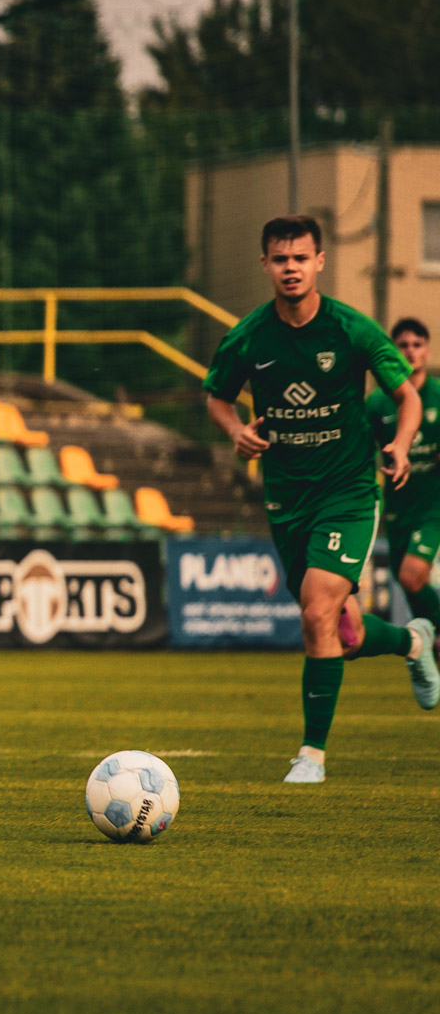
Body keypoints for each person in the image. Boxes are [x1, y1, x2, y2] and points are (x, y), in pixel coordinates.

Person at [204, 214, 438, 784]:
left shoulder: (352, 330)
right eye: (280, 259)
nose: (291, 268)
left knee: (315, 611)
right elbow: (216, 395)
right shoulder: (250, 335)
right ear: (266, 265)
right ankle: (413, 640)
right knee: (345, 632)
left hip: (349, 491)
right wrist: (237, 432)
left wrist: (402, 446)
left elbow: (406, 397)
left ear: (319, 262)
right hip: (287, 499)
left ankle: (311, 756)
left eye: (301, 258)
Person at [369, 317, 440, 629]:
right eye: (403, 345)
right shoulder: (377, 403)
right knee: (408, 580)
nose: (410, 351)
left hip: (432, 509)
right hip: (397, 507)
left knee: (411, 576)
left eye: (417, 345)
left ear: (427, 351)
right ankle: (430, 642)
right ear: (393, 351)